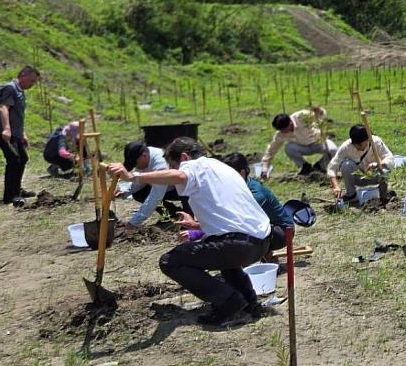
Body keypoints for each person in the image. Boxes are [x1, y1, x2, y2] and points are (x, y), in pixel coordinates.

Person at [108, 137, 270, 326]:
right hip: (261, 241)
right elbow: (230, 215)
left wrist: (133, 177)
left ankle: (228, 301)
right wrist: (197, 225)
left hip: (241, 245)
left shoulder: (193, 165)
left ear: (184, 157)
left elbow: (181, 176)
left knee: (170, 261)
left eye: (175, 166)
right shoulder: (218, 166)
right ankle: (248, 301)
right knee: (220, 251)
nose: (176, 172)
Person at [222, 152, 294, 253]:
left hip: (282, 233)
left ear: (241, 173)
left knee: (238, 232)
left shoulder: (257, 194)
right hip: (267, 226)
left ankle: (256, 256)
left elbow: (240, 219)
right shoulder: (240, 184)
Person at [0, 66, 40, 207]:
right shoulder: (10, 88)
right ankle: (10, 196)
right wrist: (6, 129)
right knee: (14, 160)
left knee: (23, 158)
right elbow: (3, 108)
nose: (32, 84)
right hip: (4, 132)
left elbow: (17, 115)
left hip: (15, 133)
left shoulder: (20, 91)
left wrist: (22, 133)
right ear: (23, 75)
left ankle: (17, 189)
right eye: (31, 80)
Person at [116, 141, 189, 231]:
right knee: (139, 193)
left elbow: (155, 197)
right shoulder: (145, 155)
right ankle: (173, 214)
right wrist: (125, 191)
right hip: (166, 188)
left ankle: (188, 216)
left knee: (188, 218)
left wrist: (133, 223)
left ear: (144, 156)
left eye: (136, 164)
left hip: (181, 188)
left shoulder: (160, 164)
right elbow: (140, 181)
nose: (136, 167)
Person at [261, 106, 336, 177]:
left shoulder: (302, 116)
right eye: (281, 130)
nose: (283, 132)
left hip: (318, 142)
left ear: (290, 123)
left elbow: (320, 115)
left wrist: (319, 111)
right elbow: (271, 150)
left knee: (333, 150)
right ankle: (305, 167)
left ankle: (320, 166)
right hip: (302, 148)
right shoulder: (280, 134)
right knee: (289, 148)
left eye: (284, 129)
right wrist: (264, 169)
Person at [328, 124, 395, 204]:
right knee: (346, 165)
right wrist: (335, 186)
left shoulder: (376, 142)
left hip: (375, 176)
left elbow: (390, 159)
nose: (358, 147)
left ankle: (383, 197)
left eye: (360, 145)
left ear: (368, 139)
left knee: (385, 171)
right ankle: (351, 195)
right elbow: (332, 167)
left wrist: (378, 164)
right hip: (358, 177)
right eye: (355, 145)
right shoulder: (346, 147)